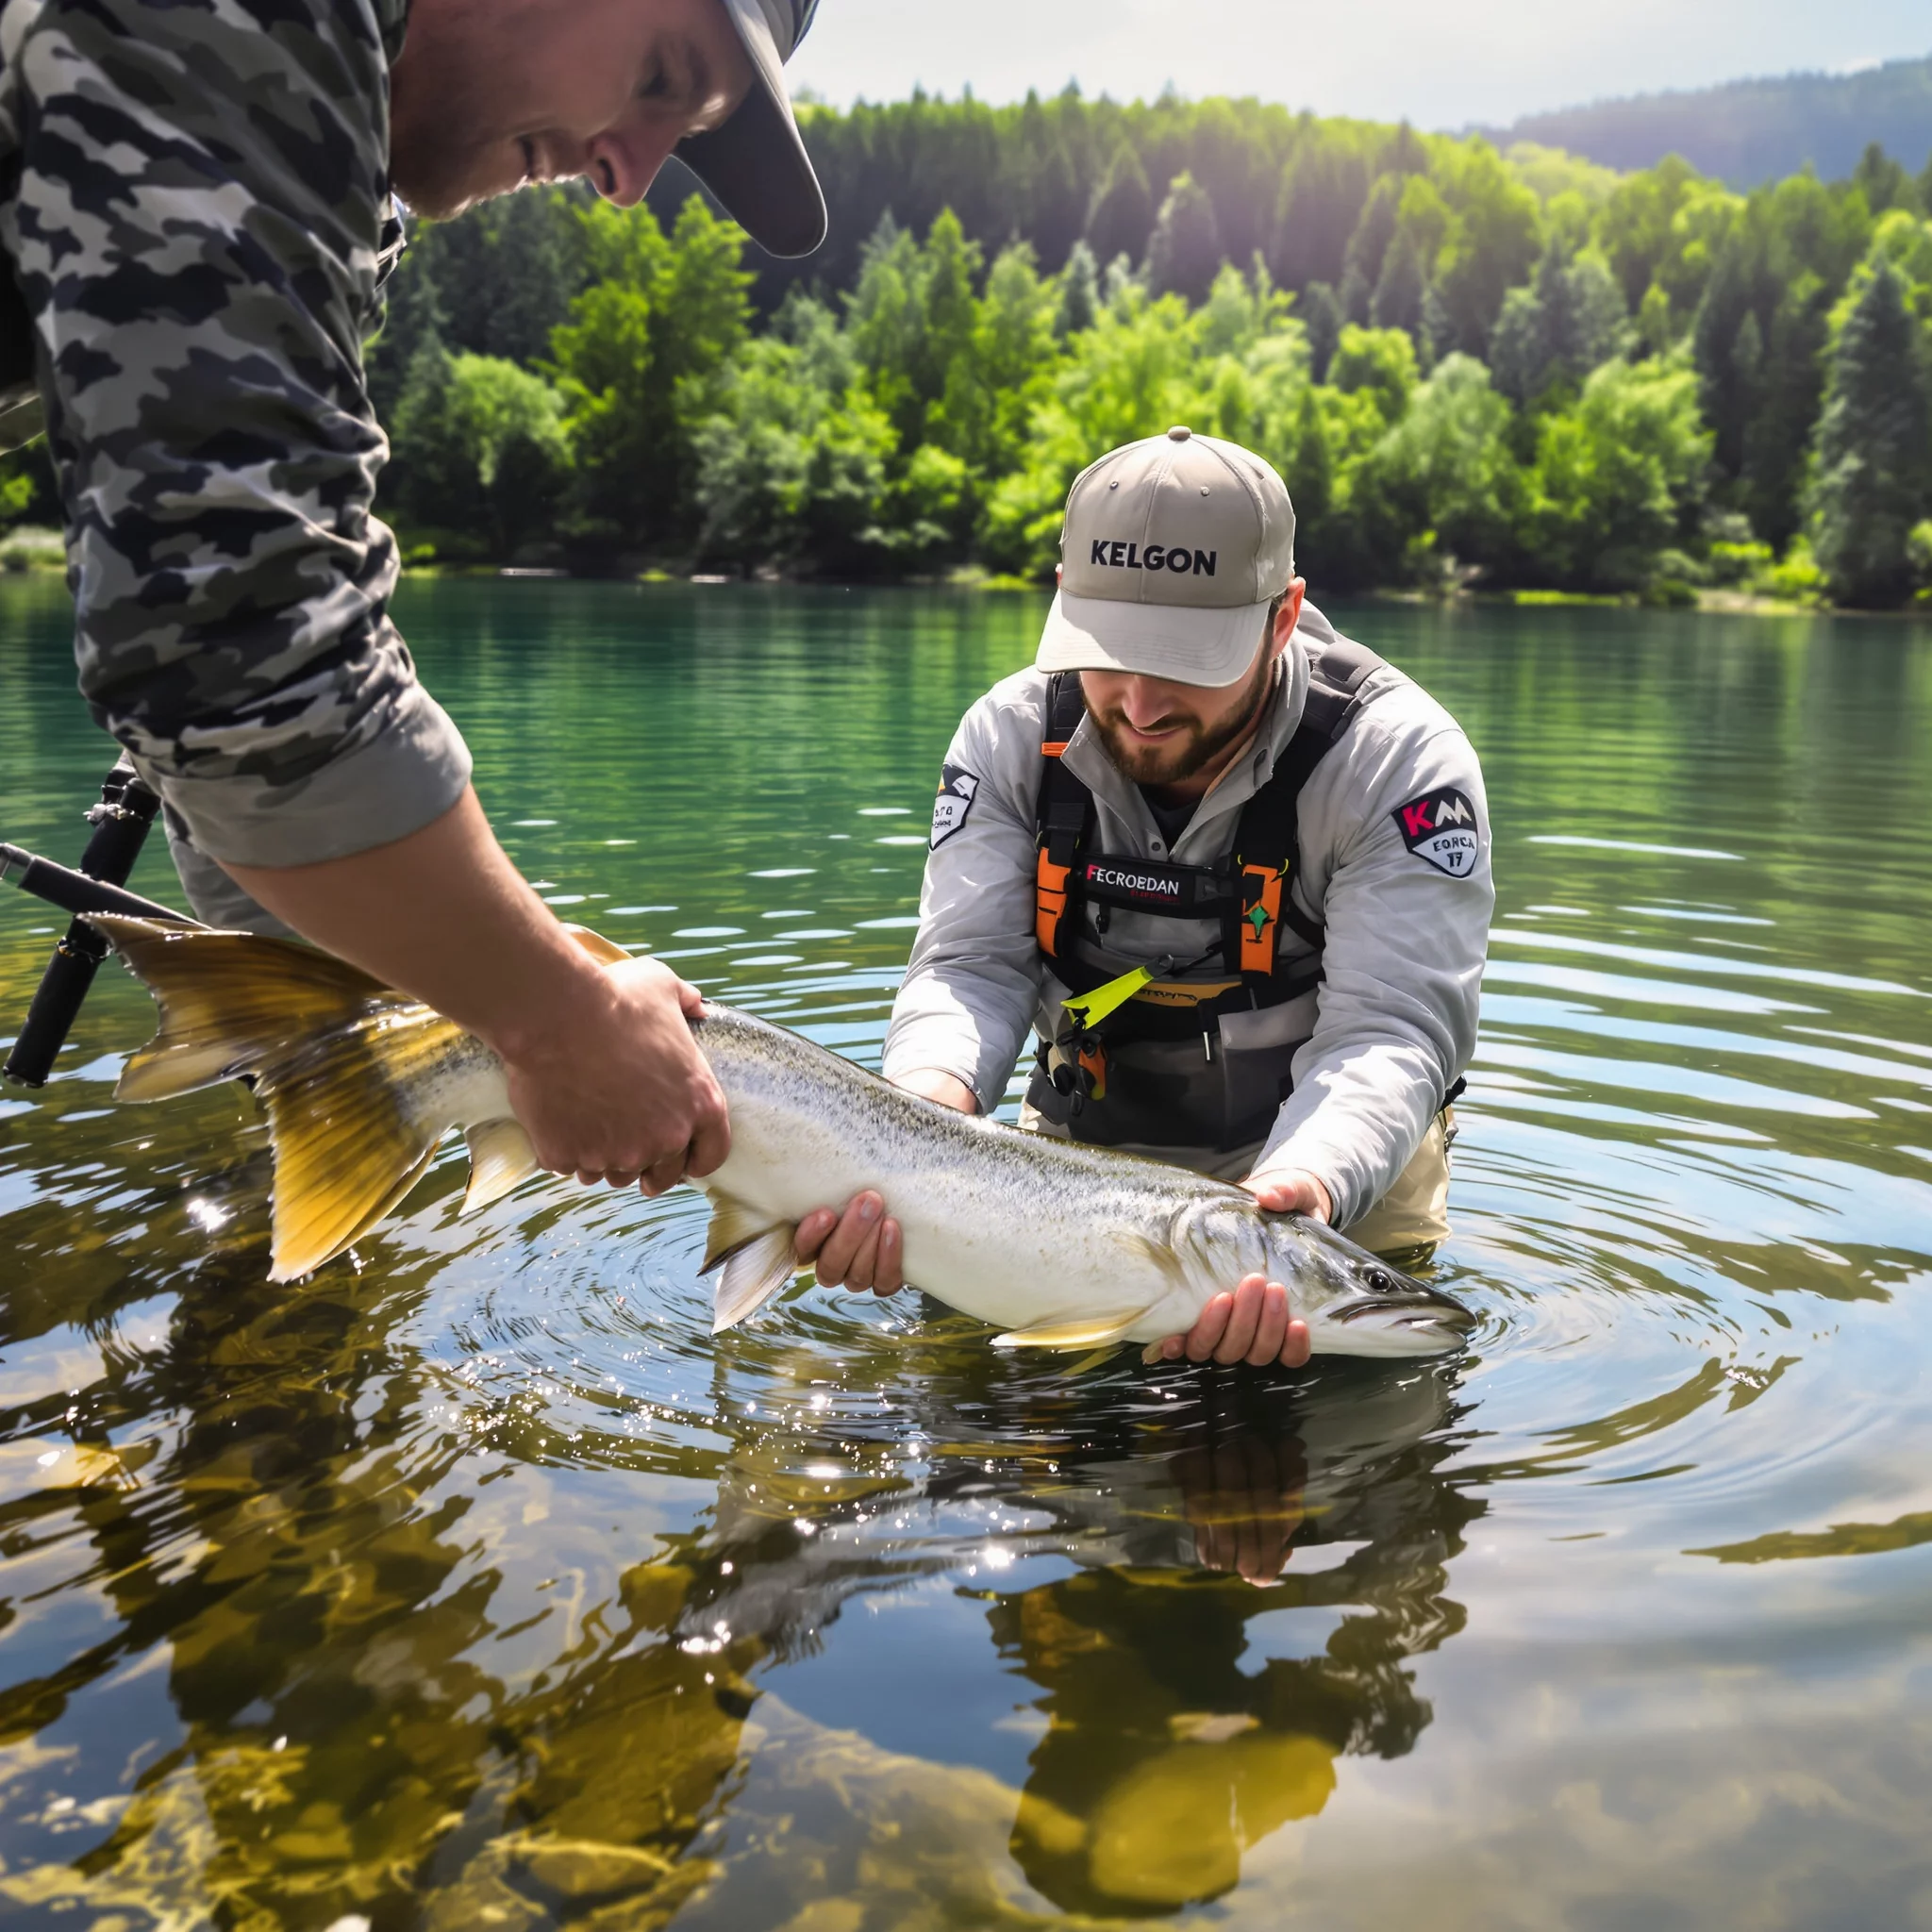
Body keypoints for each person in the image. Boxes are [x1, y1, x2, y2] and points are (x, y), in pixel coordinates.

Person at [0, 0, 830, 1201]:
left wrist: (399, 1026)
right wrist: (557, 1018)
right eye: (658, 76)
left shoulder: (353, 170)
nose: (628, 178)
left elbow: (235, 646)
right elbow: (241, 647)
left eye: (682, 136)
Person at [797, 428, 1492, 1369]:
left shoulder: (1395, 763)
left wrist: (1300, 1193)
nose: (1139, 701)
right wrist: (918, 1128)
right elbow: (970, 966)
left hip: (1326, 1192)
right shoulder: (1009, 736)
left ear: (1282, 618)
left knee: (1339, 1431)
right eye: (1109, 650)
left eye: (1186, 660)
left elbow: (1389, 1030)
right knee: (970, 1408)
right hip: (1078, 1165)